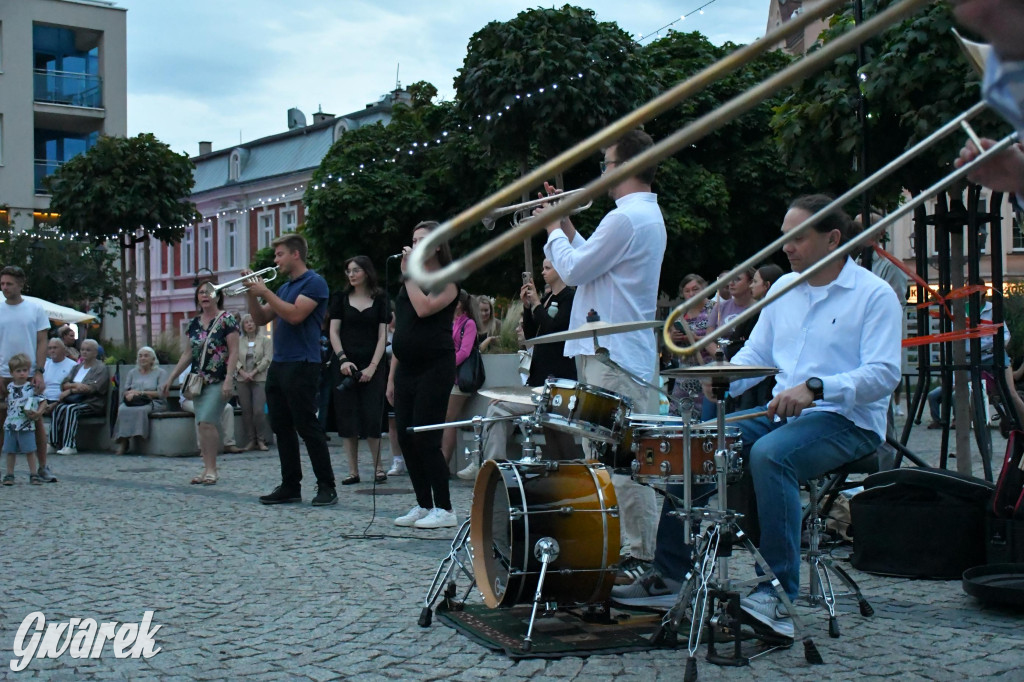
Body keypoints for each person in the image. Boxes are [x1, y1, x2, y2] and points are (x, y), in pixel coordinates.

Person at [538, 128, 665, 572]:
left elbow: (571, 272)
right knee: (613, 459)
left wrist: (552, 226)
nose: (601, 174)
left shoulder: (626, 218)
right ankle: (628, 551)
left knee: (622, 460)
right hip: (610, 351)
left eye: (606, 164)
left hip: (612, 355)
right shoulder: (635, 217)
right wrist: (567, 223)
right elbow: (590, 261)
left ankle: (639, 556)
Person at [456, 259, 577, 480]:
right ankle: (494, 464)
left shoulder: (570, 298)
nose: (542, 271)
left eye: (548, 267)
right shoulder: (548, 298)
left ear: (560, 270)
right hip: (539, 382)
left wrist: (538, 303)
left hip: (557, 383)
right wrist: (528, 307)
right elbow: (532, 336)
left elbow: (553, 329)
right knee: (498, 405)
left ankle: (491, 467)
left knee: (499, 409)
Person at [242, 234, 337, 507]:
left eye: (279, 254)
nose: (275, 260)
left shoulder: (314, 283)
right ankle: (290, 485)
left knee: (307, 425)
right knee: (281, 426)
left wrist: (265, 292)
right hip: (280, 362)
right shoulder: (284, 288)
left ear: (295, 254)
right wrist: (251, 293)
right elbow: (260, 318)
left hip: (303, 362)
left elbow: (295, 315)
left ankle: (326, 485)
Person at [387, 221, 460, 529]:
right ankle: (423, 503)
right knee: (405, 436)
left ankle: (445, 508)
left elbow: (425, 308)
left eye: (422, 240)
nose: (415, 245)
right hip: (407, 368)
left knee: (426, 437)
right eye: (413, 240)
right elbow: (402, 328)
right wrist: (392, 376)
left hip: (435, 366)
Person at [162, 283, 239, 484]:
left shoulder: (227, 319)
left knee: (207, 421)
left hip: (219, 378)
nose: (205, 295)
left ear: (218, 296)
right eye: (201, 292)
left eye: (209, 292)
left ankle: (212, 469)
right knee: (201, 424)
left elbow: (234, 351)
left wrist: (229, 379)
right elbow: (188, 353)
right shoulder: (194, 323)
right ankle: (206, 468)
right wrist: (171, 377)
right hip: (198, 381)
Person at [329, 255, 389, 485]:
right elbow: (333, 331)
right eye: (348, 271)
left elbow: (383, 335)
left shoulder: (381, 299)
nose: (351, 275)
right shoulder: (340, 298)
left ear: (366, 272)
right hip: (345, 363)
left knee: (373, 416)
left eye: (356, 270)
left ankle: (378, 467)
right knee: (347, 416)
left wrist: (373, 366)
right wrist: (342, 359)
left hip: (373, 363)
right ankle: (353, 471)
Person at [0, 266, 55, 481]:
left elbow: (43, 341)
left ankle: (42, 466)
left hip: (29, 373)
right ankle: (8, 470)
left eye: (9, 284)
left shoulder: (35, 309)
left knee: (35, 420)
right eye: (2, 283)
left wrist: (39, 371)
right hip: (4, 372)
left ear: (20, 284)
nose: (5, 287)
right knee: (3, 419)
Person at [667, 274, 718, 421]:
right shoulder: (679, 314)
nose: (691, 294)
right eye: (687, 291)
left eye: (695, 289)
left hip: (708, 372)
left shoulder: (714, 309)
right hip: (685, 375)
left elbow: (722, 340)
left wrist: (695, 338)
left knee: (707, 420)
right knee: (678, 418)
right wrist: (673, 339)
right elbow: (670, 349)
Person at [50, 339, 109, 455]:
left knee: (70, 409)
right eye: (82, 349)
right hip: (75, 400)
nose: (84, 352)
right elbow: (64, 384)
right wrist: (76, 386)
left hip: (92, 403)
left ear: (95, 353)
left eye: (88, 350)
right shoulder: (77, 367)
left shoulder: (100, 368)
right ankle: (53, 443)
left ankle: (70, 445)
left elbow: (91, 388)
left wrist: (70, 390)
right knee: (58, 408)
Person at [441, 290, 479, 466]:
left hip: (458, 376)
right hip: (447, 376)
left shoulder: (468, 323)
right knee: (444, 419)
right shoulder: (450, 320)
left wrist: (447, 365)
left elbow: (465, 351)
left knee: (449, 419)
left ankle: (444, 463)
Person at [113, 346, 168, 455]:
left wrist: (141, 393)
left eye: (146, 356)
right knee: (122, 409)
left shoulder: (161, 373)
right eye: (140, 356)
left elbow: (161, 393)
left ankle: (142, 439)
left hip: (153, 402)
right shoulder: (132, 372)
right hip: (133, 401)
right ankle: (123, 441)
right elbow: (126, 390)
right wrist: (129, 394)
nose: (143, 358)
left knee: (141, 410)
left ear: (153, 359)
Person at [3, 354, 42, 485]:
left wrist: (38, 413)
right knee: (10, 451)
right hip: (11, 424)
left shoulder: (30, 388)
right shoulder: (9, 388)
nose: (22, 374)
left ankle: (33, 474)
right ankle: (9, 474)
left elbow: (42, 400)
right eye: (18, 371)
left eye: (24, 370)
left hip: (26, 424)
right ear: (12, 373)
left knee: (30, 450)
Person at [235, 313, 272, 451]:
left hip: (259, 377)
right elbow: (233, 358)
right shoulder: (239, 341)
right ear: (243, 326)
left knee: (258, 410)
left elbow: (267, 358)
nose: (249, 324)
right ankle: (251, 440)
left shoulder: (265, 340)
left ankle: (261, 439)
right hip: (242, 379)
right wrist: (242, 372)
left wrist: (254, 372)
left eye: (252, 321)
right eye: (246, 322)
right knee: (246, 410)